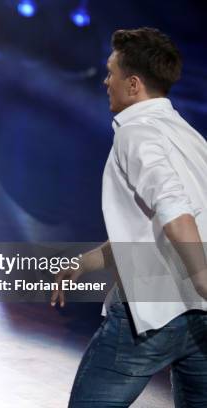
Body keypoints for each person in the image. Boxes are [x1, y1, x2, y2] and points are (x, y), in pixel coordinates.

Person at [51, 27, 207, 407]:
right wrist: (89, 261)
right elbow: (153, 223)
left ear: (133, 84)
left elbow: (174, 210)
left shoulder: (134, 133)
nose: (106, 81)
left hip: (152, 312)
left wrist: (203, 278)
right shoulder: (189, 136)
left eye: (111, 72)